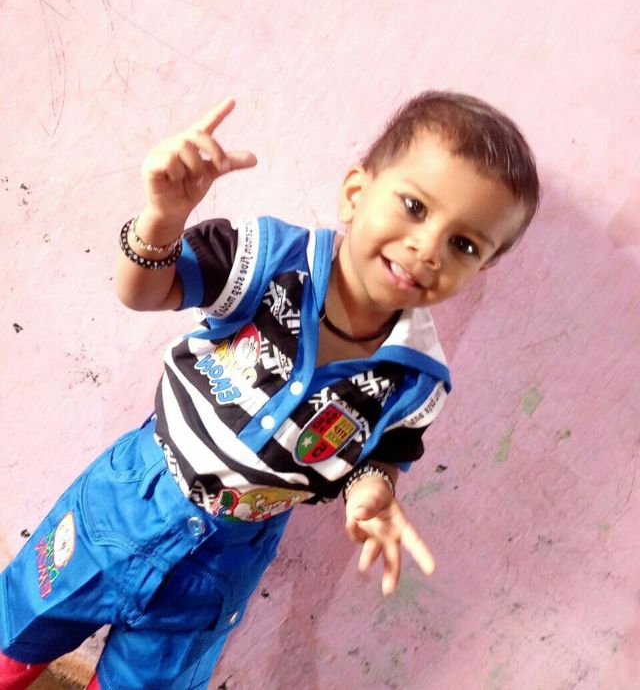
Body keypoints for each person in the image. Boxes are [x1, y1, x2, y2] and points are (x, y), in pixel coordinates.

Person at [0, 92, 539, 689]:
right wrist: (162, 219)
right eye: (414, 206)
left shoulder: (417, 379)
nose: (429, 247)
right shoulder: (265, 259)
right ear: (356, 193)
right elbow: (143, 292)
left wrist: (373, 491)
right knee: (17, 630)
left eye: (465, 244)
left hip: (226, 562)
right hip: (129, 498)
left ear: (482, 268)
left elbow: (383, 453)